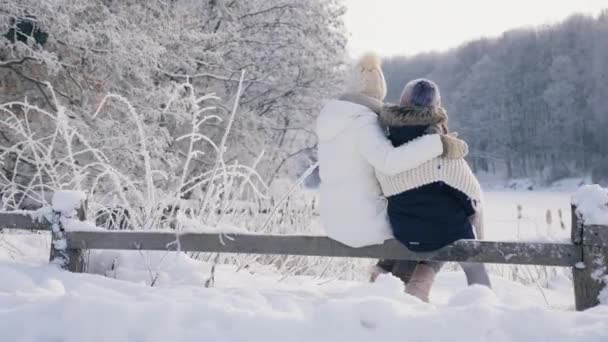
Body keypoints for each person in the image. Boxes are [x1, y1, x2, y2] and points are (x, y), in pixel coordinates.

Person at [315, 54, 463, 248]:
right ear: (378, 94)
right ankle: (396, 276)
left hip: (333, 222)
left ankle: (388, 274)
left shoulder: (334, 117)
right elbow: (389, 161)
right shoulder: (362, 122)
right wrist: (437, 144)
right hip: (364, 225)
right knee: (429, 226)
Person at [373, 78, 491, 302]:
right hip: (444, 229)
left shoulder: (385, 142)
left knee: (418, 235)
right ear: (436, 107)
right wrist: (468, 212)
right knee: (468, 252)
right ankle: (483, 303)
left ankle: (396, 296)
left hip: (403, 228)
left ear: (401, 102)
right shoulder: (439, 146)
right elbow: (470, 193)